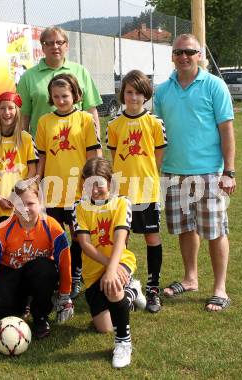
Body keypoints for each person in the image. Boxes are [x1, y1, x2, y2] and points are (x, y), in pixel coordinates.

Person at [153, 34, 236, 312]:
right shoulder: (162, 91)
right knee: (185, 229)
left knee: (214, 231)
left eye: (190, 51)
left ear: (199, 54)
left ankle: (220, 288)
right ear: (172, 56)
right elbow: (158, 134)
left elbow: (227, 130)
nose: (184, 56)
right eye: (178, 52)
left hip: (209, 173)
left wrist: (230, 172)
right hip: (173, 173)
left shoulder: (215, 86)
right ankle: (190, 278)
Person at [0, 180, 73, 339]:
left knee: (45, 269)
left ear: (40, 203)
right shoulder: (3, 229)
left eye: (30, 203)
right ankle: (21, 306)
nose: (25, 208)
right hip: (11, 273)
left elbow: (64, 262)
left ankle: (40, 317)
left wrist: (65, 296)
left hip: (37, 275)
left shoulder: (52, 227)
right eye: (20, 204)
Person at [35, 73, 101, 299]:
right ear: (51, 98)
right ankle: (57, 277)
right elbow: (42, 156)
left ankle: (75, 277)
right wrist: (36, 182)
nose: (61, 100)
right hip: (52, 190)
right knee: (54, 237)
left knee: (78, 237)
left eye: (65, 95)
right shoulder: (45, 121)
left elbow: (93, 154)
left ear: (75, 95)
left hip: (77, 190)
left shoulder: (85, 119)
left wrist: (92, 183)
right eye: (56, 96)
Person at [107, 70, 167, 313]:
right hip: (122, 195)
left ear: (146, 94)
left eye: (138, 92)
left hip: (147, 193)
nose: (133, 97)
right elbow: (114, 159)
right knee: (122, 240)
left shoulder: (155, 123)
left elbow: (157, 158)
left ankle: (153, 289)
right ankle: (125, 283)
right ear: (123, 94)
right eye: (129, 92)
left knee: (152, 238)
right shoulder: (114, 125)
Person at [73, 157, 141, 368]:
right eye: (88, 184)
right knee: (104, 327)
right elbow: (85, 244)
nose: (94, 190)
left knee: (112, 285)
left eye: (99, 184)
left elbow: (121, 239)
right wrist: (106, 268)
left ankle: (123, 344)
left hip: (121, 261)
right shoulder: (79, 207)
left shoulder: (122, 202)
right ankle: (132, 292)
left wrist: (112, 269)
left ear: (109, 182)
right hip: (94, 271)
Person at [17, 26, 102, 139]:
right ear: (43, 47)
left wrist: (97, 144)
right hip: (42, 148)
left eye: (59, 42)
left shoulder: (81, 72)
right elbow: (23, 116)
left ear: (66, 45)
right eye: (50, 43)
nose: (55, 46)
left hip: (77, 146)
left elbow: (91, 110)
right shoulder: (28, 77)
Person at [0, 91, 38, 228]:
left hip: (21, 203)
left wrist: (18, 194)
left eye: (11, 108)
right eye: (2, 108)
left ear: (17, 111)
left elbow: (32, 170)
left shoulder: (26, 139)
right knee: (0, 245)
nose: (7, 112)